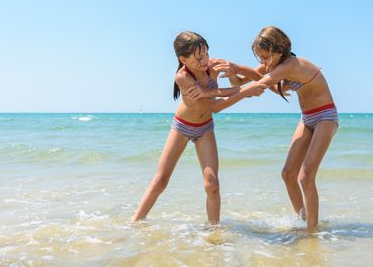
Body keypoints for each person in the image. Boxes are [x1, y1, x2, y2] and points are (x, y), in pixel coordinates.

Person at [132, 31, 265, 224]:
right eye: (199, 57)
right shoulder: (182, 77)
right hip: (182, 127)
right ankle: (135, 223)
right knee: (160, 181)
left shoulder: (213, 65)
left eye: (206, 54)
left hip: (205, 127)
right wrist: (244, 92)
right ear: (183, 59)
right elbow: (215, 106)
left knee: (212, 184)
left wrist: (234, 75)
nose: (205, 61)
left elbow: (245, 78)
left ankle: (213, 232)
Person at [213, 26, 338, 231]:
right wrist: (232, 71)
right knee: (288, 174)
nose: (262, 62)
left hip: (325, 116)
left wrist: (225, 89)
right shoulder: (276, 64)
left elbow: (259, 86)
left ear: (278, 51)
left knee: (305, 176)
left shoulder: (291, 65)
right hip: (307, 118)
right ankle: (303, 220)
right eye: (260, 58)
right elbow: (248, 78)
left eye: (264, 57)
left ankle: (312, 233)